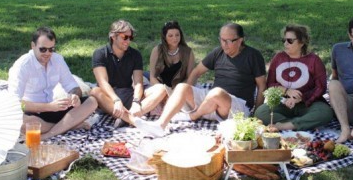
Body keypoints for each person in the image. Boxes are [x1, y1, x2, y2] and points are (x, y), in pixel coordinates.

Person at [135, 22, 267, 137]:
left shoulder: (253, 56)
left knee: (216, 93)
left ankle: (192, 116)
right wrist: (187, 93)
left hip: (235, 107)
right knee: (182, 87)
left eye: (229, 41)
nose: (224, 45)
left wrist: (255, 115)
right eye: (222, 40)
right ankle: (160, 125)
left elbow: (262, 86)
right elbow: (196, 72)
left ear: (240, 40)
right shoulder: (218, 52)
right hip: (210, 105)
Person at [8, 27, 98, 140]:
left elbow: (73, 87)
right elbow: (14, 103)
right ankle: (68, 126)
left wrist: (74, 96)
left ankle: (48, 133)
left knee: (92, 101)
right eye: (43, 49)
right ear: (33, 46)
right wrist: (49, 107)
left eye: (51, 49)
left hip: (54, 109)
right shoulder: (22, 65)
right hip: (33, 113)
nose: (47, 53)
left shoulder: (57, 60)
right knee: (20, 123)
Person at [254, 24, 333, 131]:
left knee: (325, 113)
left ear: (302, 42)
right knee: (260, 112)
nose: (285, 43)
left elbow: (321, 87)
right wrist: (287, 91)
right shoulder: (279, 58)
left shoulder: (314, 60)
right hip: (283, 102)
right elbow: (270, 84)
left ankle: (285, 125)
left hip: (308, 103)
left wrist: (301, 97)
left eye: (290, 40)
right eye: (284, 40)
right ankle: (301, 123)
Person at [90, 20, 162, 127]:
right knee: (95, 91)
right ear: (113, 37)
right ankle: (132, 120)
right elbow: (103, 82)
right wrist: (116, 100)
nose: (128, 41)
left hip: (128, 94)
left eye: (130, 37)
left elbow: (138, 83)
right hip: (108, 96)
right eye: (125, 37)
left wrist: (136, 102)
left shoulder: (135, 55)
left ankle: (129, 116)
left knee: (161, 89)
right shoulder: (100, 53)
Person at [144, 20, 195, 115]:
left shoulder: (188, 52)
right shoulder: (157, 51)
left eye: (177, 35)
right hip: (159, 86)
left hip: (178, 88)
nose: (174, 38)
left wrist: (176, 92)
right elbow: (153, 77)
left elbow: (190, 77)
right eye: (170, 36)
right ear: (164, 37)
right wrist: (164, 92)